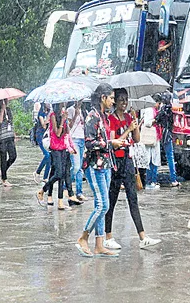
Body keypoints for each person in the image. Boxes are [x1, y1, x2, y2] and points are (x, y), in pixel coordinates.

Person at [104, 88, 161, 250]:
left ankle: (142, 237)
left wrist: (134, 125)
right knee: (112, 199)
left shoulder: (129, 117)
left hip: (128, 161)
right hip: (116, 161)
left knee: (133, 199)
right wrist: (128, 129)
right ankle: (108, 236)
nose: (124, 103)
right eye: (121, 99)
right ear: (115, 101)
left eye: (126, 99)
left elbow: (137, 139)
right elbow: (113, 142)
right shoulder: (111, 119)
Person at [75, 83, 117, 258]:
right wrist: (110, 144)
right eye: (112, 98)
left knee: (102, 205)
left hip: (105, 165)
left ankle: (99, 245)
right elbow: (90, 142)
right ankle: (83, 237)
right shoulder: (92, 116)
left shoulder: (104, 117)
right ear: (103, 97)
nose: (113, 102)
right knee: (103, 205)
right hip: (94, 166)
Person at [37, 102, 80, 209]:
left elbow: (67, 130)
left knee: (63, 174)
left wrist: (73, 116)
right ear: (57, 105)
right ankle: (42, 190)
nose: (63, 106)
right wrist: (62, 120)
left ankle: (60, 202)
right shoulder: (52, 116)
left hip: (63, 147)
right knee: (59, 173)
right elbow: (57, 133)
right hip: (55, 148)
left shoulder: (62, 114)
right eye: (61, 105)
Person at [155, 92, 180, 187]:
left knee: (167, 156)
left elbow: (157, 119)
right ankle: (173, 179)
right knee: (170, 156)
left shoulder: (163, 109)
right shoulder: (172, 109)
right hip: (169, 133)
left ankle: (173, 179)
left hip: (163, 134)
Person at [0, 99, 16, 187]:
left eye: (6, 100)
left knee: (13, 156)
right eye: (3, 100)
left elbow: (11, 122)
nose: (5, 102)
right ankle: (4, 179)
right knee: (3, 157)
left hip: (9, 136)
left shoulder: (9, 110)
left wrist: (14, 134)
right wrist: (2, 110)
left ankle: (3, 170)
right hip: (1, 137)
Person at [68, 100, 87, 201]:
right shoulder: (70, 110)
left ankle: (79, 192)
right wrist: (75, 114)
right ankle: (66, 186)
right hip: (74, 139)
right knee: (75, 166)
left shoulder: (84, 111)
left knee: (79, 168)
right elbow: (69, 126)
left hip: (82, 139)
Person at [143, 103, 162, 189]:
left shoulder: (155, 110)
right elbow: (147, 123)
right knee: (150, 160)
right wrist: (155, 120)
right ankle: (150, 181)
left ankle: (153, 180)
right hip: (150, 137)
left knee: (155, 160)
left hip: (155, 138)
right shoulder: (149, 110)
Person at [33, 103, 51, 183]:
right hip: (40, 136)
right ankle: (37, 172)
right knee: (47, 155)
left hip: (48, 136)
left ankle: (45, 177)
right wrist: (48, 119)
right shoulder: (41, 113)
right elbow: (43, 125)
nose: (49, 104)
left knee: (49, 156)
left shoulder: (50, 111)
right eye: (47, 103)